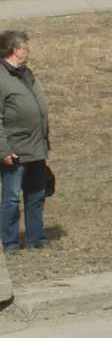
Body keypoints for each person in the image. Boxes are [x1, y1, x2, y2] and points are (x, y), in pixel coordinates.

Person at [1, 27, 51, 254]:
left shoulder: (27, 73)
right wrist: (4, 150)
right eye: (24, 46)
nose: (27, 49)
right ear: (14, 50)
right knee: (11, 199)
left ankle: (36, 238)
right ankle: (10, 242)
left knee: (37, 194)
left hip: (36, 147)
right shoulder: (1, 78)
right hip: (15, 150)